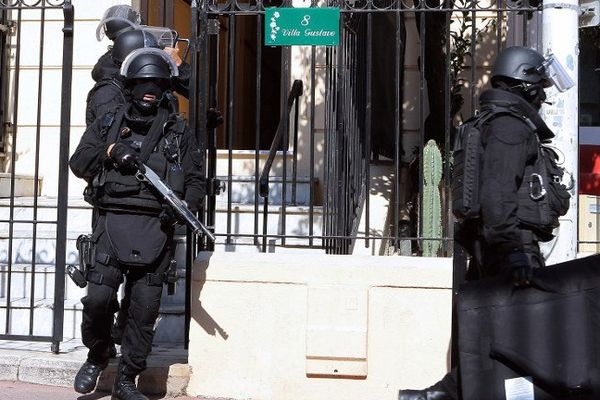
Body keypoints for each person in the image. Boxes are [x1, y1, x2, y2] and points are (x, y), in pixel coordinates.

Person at [398, 46, 573, 400]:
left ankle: (432, 397)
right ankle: (433, 397)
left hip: (488, 244)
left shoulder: (492, 122)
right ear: (524, 83)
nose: (542, 94)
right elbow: (497, 196)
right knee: (529, 338)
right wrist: (516, 252)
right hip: (506, 247)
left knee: (493, 339)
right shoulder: (509, 127)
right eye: (539, 86)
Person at [70, 48, 206, 400]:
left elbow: (195, 180)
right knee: (98, 300)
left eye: (158, 84)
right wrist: (111, 151)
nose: (151, 89)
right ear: (130, 85)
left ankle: (127, 379)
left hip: (157, 230)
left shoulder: (178, 132)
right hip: (111, 223)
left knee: (144, 311)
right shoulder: (108, 123)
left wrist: (184, 207)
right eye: (144, 82)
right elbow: (79, 161)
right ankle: (98, 353)